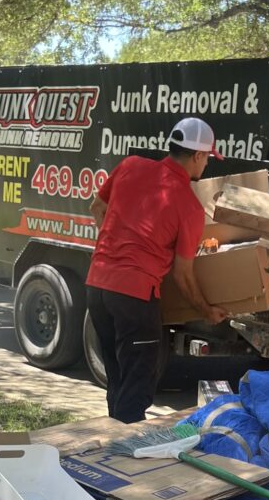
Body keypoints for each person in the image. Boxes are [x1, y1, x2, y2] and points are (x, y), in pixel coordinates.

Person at [86, 117, 229, 423]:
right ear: (198, 156)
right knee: (136, 387)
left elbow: (96, 208)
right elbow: (183, 274)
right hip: (134, 298)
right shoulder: (189, 207)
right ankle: (124, 459)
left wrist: (115, 249)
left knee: (118, 379)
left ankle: (112, 448)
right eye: (208, 158)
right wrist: (206, 310)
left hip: (97, 286)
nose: (207, 166)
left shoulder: (130, 166)